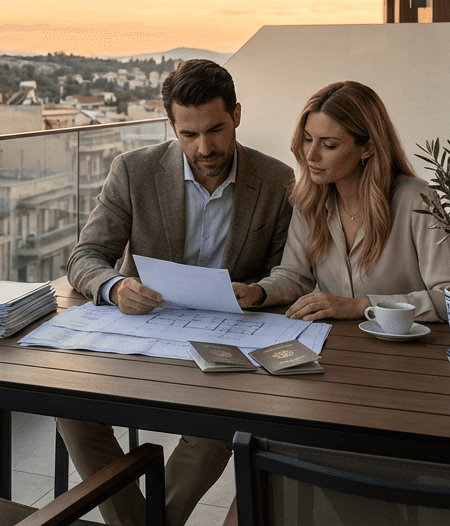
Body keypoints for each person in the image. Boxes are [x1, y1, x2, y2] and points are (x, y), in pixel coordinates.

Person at [59, 59, 293, 526]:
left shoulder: (277, 180)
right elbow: (84, 256)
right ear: (172, 125)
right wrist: (114, 285)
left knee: (216, 426)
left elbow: (290, 272)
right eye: (188, 134)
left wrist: (261, 291)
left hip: (226, 338)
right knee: (71, 408)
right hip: (144, 333)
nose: (204, 148)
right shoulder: (133, 170)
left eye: (215, 130)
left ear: (238, 116)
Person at [233, 80, 450, 321]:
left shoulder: (417, 200)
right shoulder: (308, 200)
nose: (311, 155)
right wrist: (257, 292)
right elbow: (294, 276)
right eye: (307, 139)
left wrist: (361, 307)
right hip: (338, 347)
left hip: (408, 351)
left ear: (367, 147)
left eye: (328, 145)